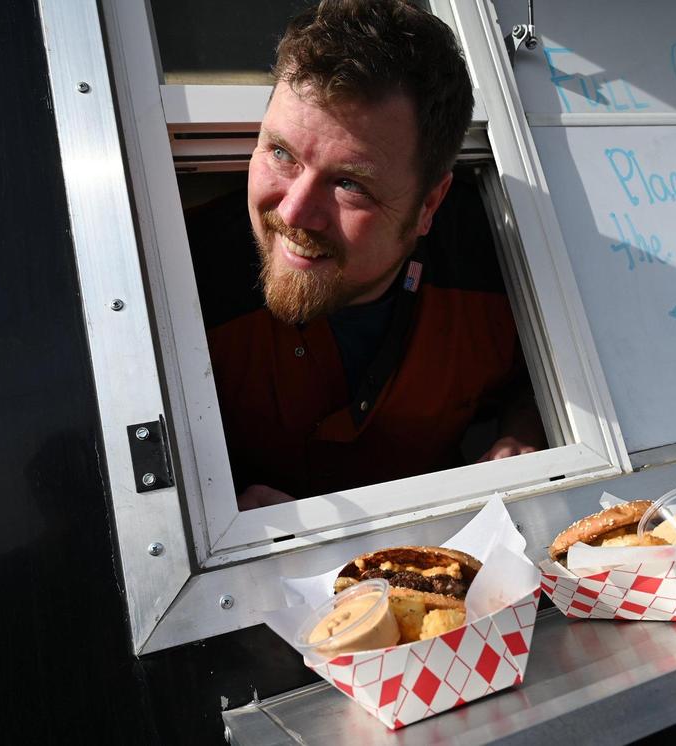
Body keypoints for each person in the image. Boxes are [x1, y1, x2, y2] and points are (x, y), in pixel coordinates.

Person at [186, 0, 545, 509]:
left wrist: (524, 432)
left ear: (429, 205)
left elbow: (535, 380)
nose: (293, 212)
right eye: (281, 153)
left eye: (350, 184)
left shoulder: (501, 270)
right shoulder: (173, 279)